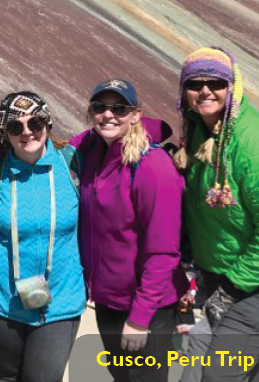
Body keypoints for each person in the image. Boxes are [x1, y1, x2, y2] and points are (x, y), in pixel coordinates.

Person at [174, 47, 259, 382]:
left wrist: (232, 290)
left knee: (218, 373)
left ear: (232, 87)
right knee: (246, 370)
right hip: (221, 273)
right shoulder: (198, 130)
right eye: (195, 83)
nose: (205, 90)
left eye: (215, 82)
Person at [70, 79, 187, 382]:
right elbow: (59, 143)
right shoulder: (93, 148)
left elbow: (163, 251)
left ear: (135, 114)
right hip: (108, 301)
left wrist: (139, 318)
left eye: (119, 108)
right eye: (99, 107)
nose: (108, 114)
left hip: (146, 304)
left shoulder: (152, 166)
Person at [0, 91, 86, 382]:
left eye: (35, 123)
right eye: (15, 127)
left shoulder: (71, 163)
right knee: (8, 377)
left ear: (47, 124)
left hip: (60, 296)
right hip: (1, 295)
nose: (27, 132)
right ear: (4, 133)